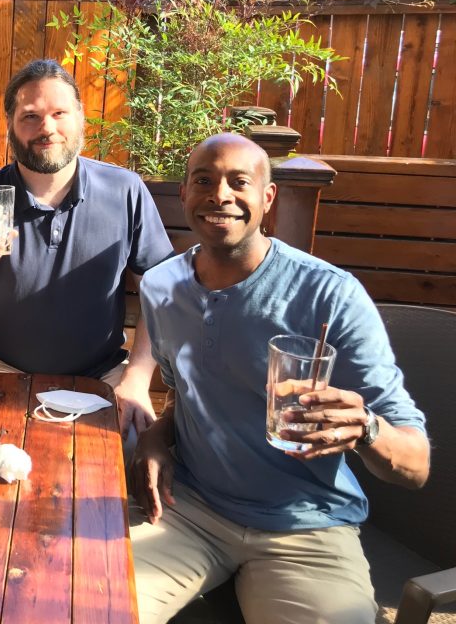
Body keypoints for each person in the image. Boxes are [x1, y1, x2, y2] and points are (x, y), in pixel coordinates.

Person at [130, 133, 430, 624]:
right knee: (78, 602)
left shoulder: (330, 296)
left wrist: (366, 428)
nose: (219, 195)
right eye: (203, 181)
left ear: (267, 198)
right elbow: (192, 396)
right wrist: (156, 440)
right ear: (183, 194)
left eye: (238, 182)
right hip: (189, 512)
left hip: (305, 530)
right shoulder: (163, 286)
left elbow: (416, 467)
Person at [0, 59, 174, 436]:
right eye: (30, 116)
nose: (46, 128)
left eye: (59, 113)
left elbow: (160, 291)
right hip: (0, 369)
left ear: (80, 117)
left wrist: (137, 377)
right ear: (10, 127)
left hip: (104, 375)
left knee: (129, 461)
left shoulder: (125, 191)